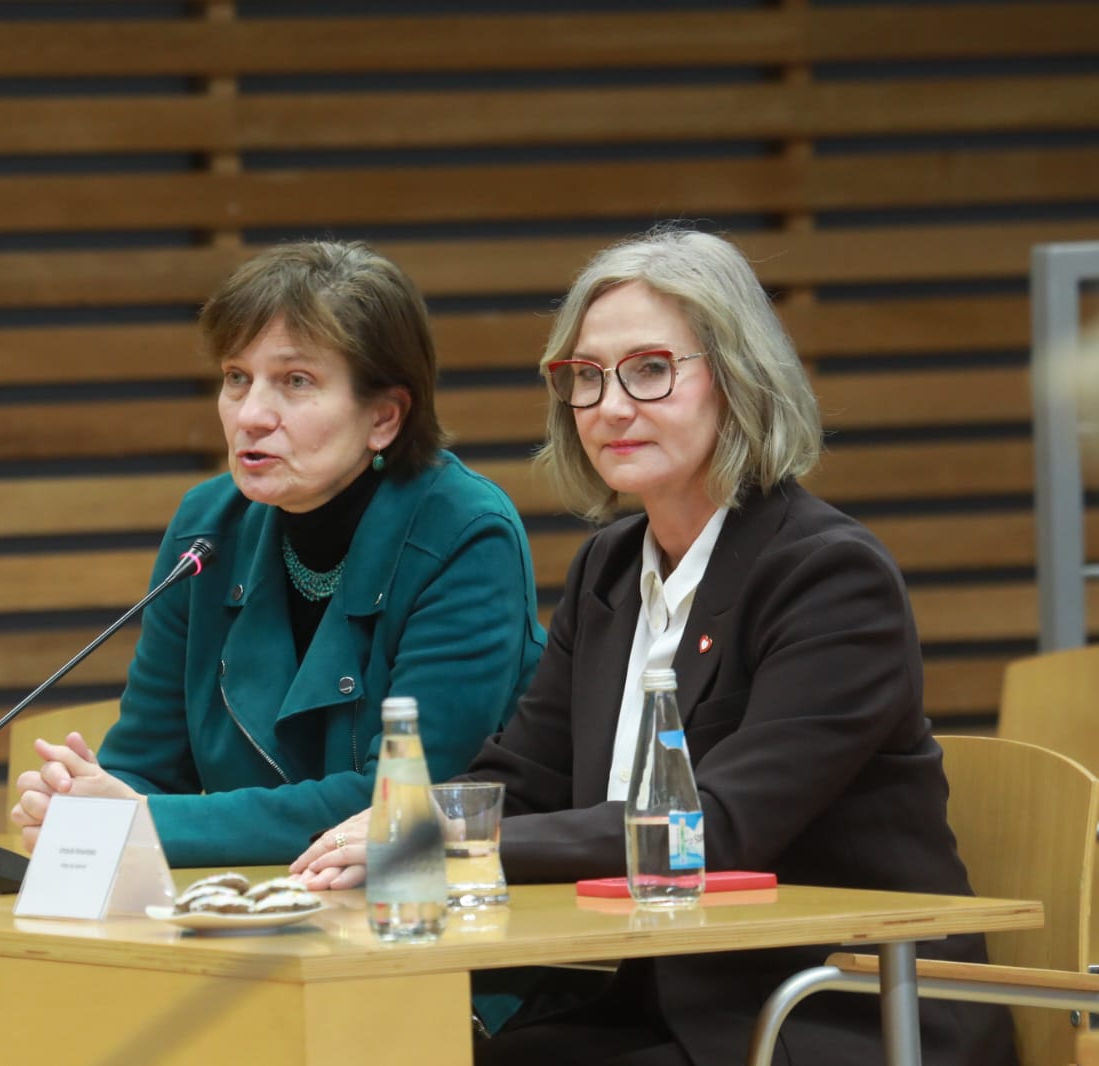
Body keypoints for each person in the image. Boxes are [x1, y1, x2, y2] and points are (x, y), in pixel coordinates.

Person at [292, 225, 1015, 1066]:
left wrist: (443, 844)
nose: (610, 406)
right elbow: (524, 779)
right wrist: (396, 824)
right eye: (586, 376)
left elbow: (714, 829)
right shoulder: (606, 568)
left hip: (836, 1010)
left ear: (737, 379)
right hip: (664, 1002)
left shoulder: (828, 576)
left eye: (648, 370)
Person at [10, 239, 546, 867]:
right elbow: (147, 767)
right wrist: (81, 805)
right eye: (237, 378)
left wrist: (141, 823)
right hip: (253, 905)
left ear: (383, 417)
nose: (252, 415)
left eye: (296, 381)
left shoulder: (464, 531)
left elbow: (404, 801)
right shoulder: (206, 529)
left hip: (427, 904)